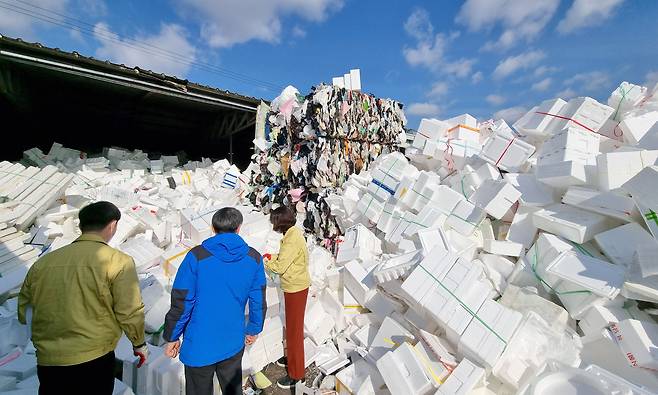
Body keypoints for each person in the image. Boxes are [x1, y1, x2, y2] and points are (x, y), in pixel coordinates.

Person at [18, 201, 148, 395]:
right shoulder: (118, 261)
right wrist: (139, 344)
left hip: (49, 360)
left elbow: (24, 310)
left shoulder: (44, 263)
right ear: (112, 225)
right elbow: (128, 310)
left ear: (81, 226)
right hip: (93, 358)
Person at [163, 207, 266, 395]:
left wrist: (172, 336)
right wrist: (254, 328)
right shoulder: (254, 258)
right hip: (232, 341)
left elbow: (182, 300)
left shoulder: (197, 256)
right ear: (239, 228)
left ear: (212, 227)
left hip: (199, 343)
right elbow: (258, 298)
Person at [264, 205, 310, 389]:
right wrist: (272, 257)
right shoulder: (293, 233)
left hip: (295, 288)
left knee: (294, 330)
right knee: (291, 327)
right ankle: (292, 358)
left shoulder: (291, 239)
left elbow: (281, 266)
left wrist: (266, 262)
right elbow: (284, 257)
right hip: (295, 286)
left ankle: (297, 374)